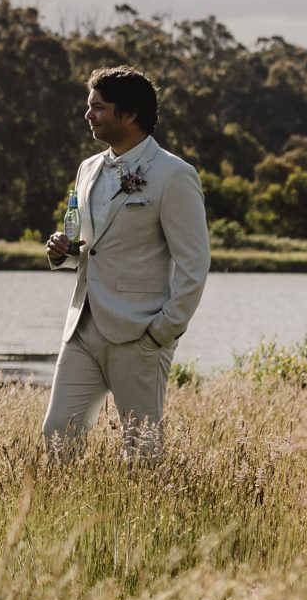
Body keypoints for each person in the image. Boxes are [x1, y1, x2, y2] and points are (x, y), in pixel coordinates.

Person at [43, 67, 210, 462]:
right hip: (82, 327)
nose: (88, 115)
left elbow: (194, 264)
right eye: (89, 107)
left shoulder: (174, 174)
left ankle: (137, 520)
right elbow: (93, 247)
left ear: (130, 114)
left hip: (140, 332)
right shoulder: (89, 168)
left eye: (98, 107)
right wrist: (64, 252)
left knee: (141, 446)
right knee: (58, 433)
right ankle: (64, 518)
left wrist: (162, 332)